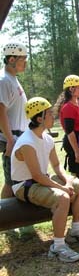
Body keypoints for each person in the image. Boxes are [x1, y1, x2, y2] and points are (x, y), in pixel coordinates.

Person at [11, 97, 79, 263]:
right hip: (25, 185)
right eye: (49, 113)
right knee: (63, 198)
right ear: (39, 118)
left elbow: (57, 166)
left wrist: (68, 181)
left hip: (41, 179)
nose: (53, 116)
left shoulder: (47, 138)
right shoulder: (27, 142)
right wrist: (63, 188)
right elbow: (36, 175)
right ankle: (57, 246)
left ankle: (76, 230)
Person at [0, 41, 29, 198]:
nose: (25, 62)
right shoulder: (4, 80)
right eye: (22, 59)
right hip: (11, 139)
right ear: (11, 59)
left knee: (17, 181)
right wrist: (10, 141)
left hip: (18, 138)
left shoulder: (12, 79)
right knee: (12, 183)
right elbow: (1, 112)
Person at [55, 75, 79, 181]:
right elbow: (70, 131)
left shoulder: (78, 103)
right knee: (77, 173)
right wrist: (76, 151)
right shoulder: (68, 107)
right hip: (74, 142)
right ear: (71, 89)